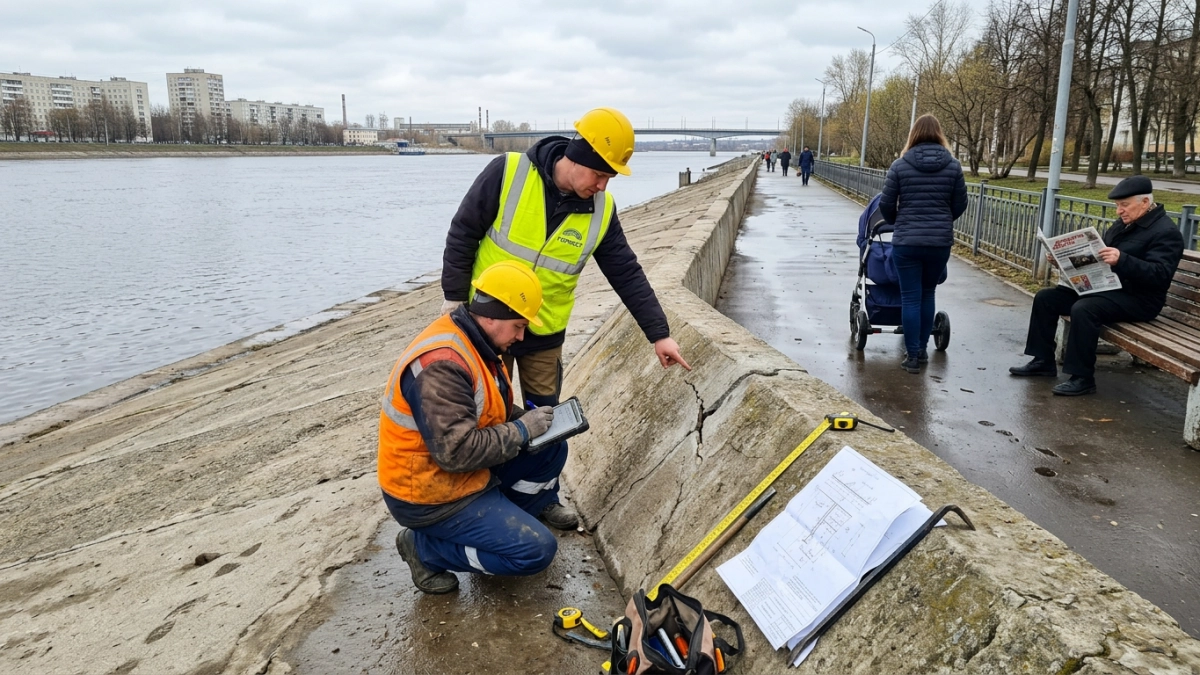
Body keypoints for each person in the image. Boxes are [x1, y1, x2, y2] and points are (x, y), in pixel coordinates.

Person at [440, 107, 691, 529]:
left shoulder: (601, 210)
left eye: (610, 178)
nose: (603, 185)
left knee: (547, 420)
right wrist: (453, 301)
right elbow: (462, 233)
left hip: (544, 334)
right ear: (577, 156)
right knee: (486, 415)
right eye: (600, 173)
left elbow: (626, 272)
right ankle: (479, 498)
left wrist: (659, 334)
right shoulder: (508, 173)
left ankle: (541, 497)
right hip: (487, 329)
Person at [380, 261, 562, 594]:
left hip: (462, 474)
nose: (521, 337)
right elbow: (456, 452)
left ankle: (497, 526)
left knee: (553, 446)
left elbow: (488, 410)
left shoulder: (478, 342)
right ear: (493, 315)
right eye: (519, 326)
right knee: (535, 551)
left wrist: (532, 423)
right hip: (430, 494)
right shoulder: (443, 365)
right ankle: (423, 549)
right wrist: (522, 430)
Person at [1009, 175, 1184, 395]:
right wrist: (1063, 260)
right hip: (1107, 288)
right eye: (1117, 205)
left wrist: (1122, 260)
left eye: (1124, 205)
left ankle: (1082, 378)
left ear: (1145, 202)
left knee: (1084, 308)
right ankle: (1043, 361)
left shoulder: (1166, 232)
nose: (1119, 211)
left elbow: (1160, 275)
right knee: (1046, 298)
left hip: (1140, 300)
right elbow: (1099, 257)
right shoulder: (1124, 225)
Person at [878, 114, 968, 374]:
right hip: (939, 243)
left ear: (913, 134)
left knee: (910, 297)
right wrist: (942, 220)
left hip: (907, 242)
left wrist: (897, 221)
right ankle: (922, 350)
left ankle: (912, 356)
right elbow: (960, 203)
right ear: (939, 134)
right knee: (928, 293)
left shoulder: (900, 165)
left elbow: (886, 203)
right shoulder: (953, 166)